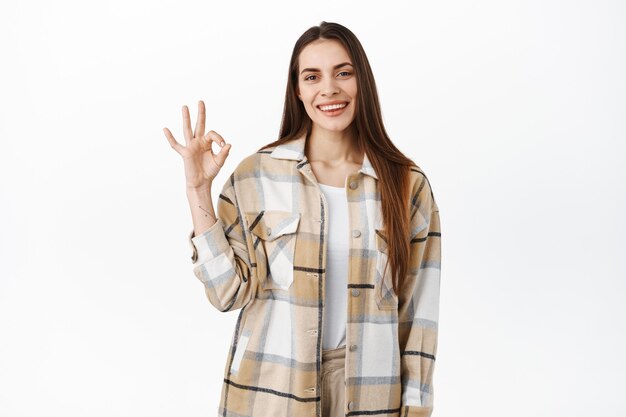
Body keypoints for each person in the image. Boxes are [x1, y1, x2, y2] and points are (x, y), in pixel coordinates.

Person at [163, 21, 441, 417]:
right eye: (312, 77)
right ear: (297, 89)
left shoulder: (406, 186)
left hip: (370, 397)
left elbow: (418, 318)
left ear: (363, 81)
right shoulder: (256, 175)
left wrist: (416, 410)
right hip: (272, 392)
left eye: (343, 73)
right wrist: (197, 191)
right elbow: (226, 293)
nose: (329, 89)